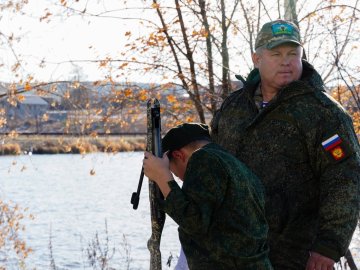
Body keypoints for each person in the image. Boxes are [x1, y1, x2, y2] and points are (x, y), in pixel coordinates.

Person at [210, 19, 360, 270]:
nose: (286, 61)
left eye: (293, 53)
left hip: (295, 256)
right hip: (232, 253)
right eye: (276, 53)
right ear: (256, 59)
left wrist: (328, 247)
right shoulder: (234, 107)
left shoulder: (323, 113)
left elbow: (345, 181)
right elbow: (215, 165)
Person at [143, 123, 273, 269]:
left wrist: (162, 176)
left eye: (173, 171)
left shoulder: (203, 158)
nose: (180, 178)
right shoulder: (234, 164)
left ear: (179, 155)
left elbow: (193, 222)